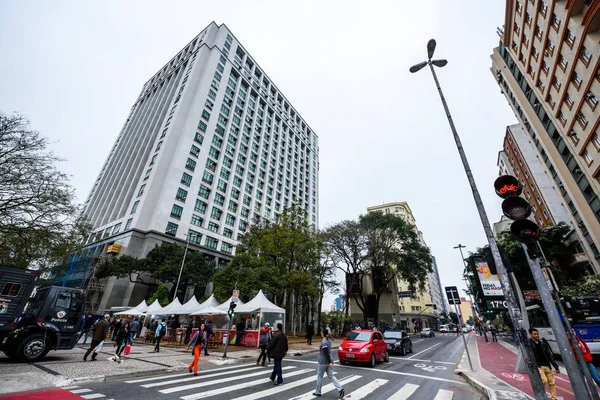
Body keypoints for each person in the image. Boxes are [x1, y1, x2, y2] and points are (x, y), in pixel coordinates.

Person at [313, 328, 345, 398]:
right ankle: (340, 389)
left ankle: (318, 392)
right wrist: (330, 361)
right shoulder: (329, 341)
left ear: (323, 333)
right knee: (331, 376)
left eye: (321, 332)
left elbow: (326, 352)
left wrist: (330, 362)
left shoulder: (324, 341)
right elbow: (327, 352)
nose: (321, 333)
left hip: (323, 362)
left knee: (319, 376)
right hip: (329, 361)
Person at [529, 328, 559, 400]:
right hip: (539, 366)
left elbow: (549, 355)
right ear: (531, 334)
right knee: (544, 380)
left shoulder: (542, 343)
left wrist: (556, 367)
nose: (537, 335)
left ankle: (554, 398)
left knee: (552, 382)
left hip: (547, 365)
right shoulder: (529, 343)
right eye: (534, 334)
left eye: (537, 334)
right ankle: (541, 395)